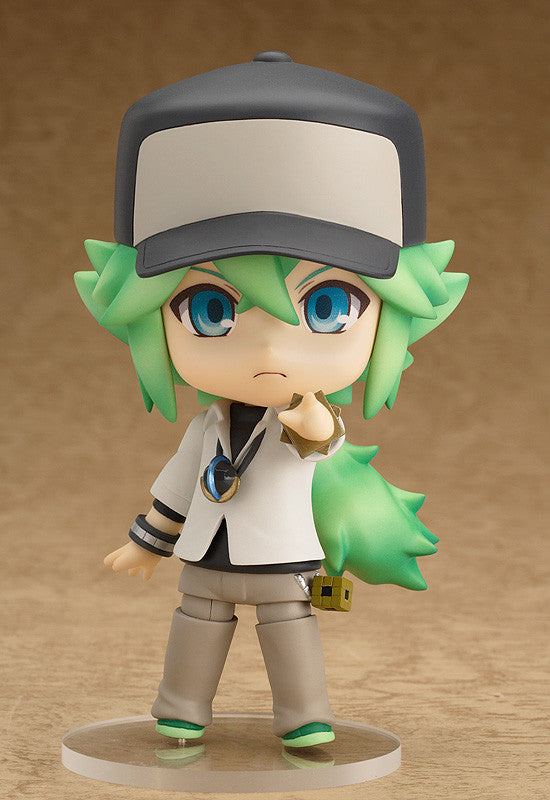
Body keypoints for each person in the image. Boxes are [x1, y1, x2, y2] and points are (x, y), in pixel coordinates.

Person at [75, 52, 468, 748]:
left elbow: (322, 443)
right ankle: (181, 708)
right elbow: (177, 490)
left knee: (289, 631)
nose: (269, 350)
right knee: (196, 627)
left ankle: (304, 717)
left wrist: (315, 423)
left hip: (283, 557)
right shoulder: (208, 428)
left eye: (326, 307)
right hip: (207, 556)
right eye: (210, 310)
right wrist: (146, 545)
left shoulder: (305, 417)